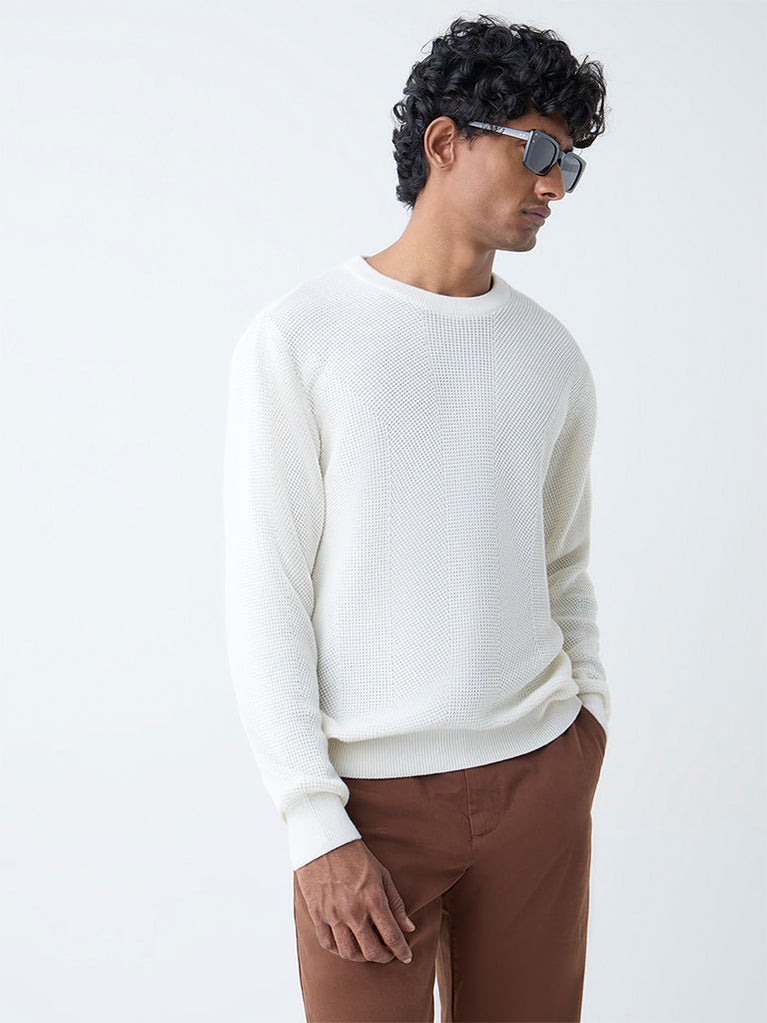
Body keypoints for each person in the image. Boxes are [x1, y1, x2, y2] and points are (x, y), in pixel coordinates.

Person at [223, 12, 611, 1022]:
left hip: (537, 778)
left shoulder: (551, 356)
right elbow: (266, 593)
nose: (553, 187)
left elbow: (562, 567)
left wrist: (585, 737)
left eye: (567, 164)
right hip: (370, 808)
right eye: (535, 152)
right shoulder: (300, 337)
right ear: (444, 142)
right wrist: (313, 823)